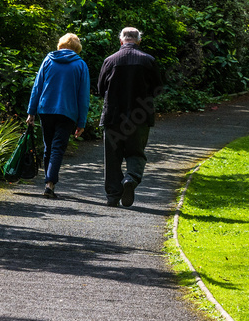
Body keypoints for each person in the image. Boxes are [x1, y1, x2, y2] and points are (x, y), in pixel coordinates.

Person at [97, 27, 162, 207]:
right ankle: (131, 179)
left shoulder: (110, 61)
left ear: (121, 41)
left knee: (112, 157)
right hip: (139, 117)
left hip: (113, 116)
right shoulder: (148, 61)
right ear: (138, 41)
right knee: (136, 153)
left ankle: (112, 195)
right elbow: (158, 88)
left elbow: (101, 89)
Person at [26, 33, 90, 199]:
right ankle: (49, 183)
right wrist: (81, 122)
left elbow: (37, 87)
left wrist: (31, 111)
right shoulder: (81, 65)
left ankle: (49, 182)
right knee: (58, 148)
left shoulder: (48, 60)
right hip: (68, 112)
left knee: (49, 146)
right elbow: (83, 97)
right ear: (77, 48)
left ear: (60, 45)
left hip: (46, 109)